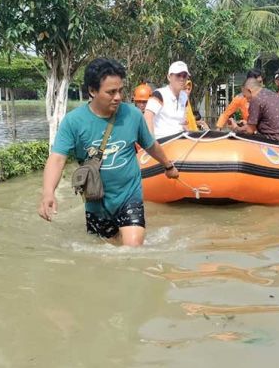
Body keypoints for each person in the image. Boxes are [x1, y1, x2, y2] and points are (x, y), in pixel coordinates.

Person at [38, 58, 179, 247]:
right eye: (111, 92)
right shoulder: (73, 122)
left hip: (129, 195)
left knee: (132, 247)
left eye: (120, 90)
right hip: (97, 201)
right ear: (92, 91)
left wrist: (168, 166)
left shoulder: (132, 115)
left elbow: (150, 145)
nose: (118, 97)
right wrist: (48, 193)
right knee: (109, 248)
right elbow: (57, 159)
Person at [231, 78, 279, 147]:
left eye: (245, 96)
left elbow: (249, 131)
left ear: (249, 90)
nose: (246, 100)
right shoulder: (275, 95)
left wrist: (236, 128)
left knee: (239, 137)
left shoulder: (256, 99)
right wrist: (247, 124)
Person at [144, 61, 190, 139]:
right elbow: (147, 118)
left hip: (180, 140)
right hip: (162, 141)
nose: (182, 79)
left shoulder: (184, 96)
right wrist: (152, 144)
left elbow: (182, 121)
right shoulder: (159, 94)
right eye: (178, 75)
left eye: (184, 76)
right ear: (169, 77)